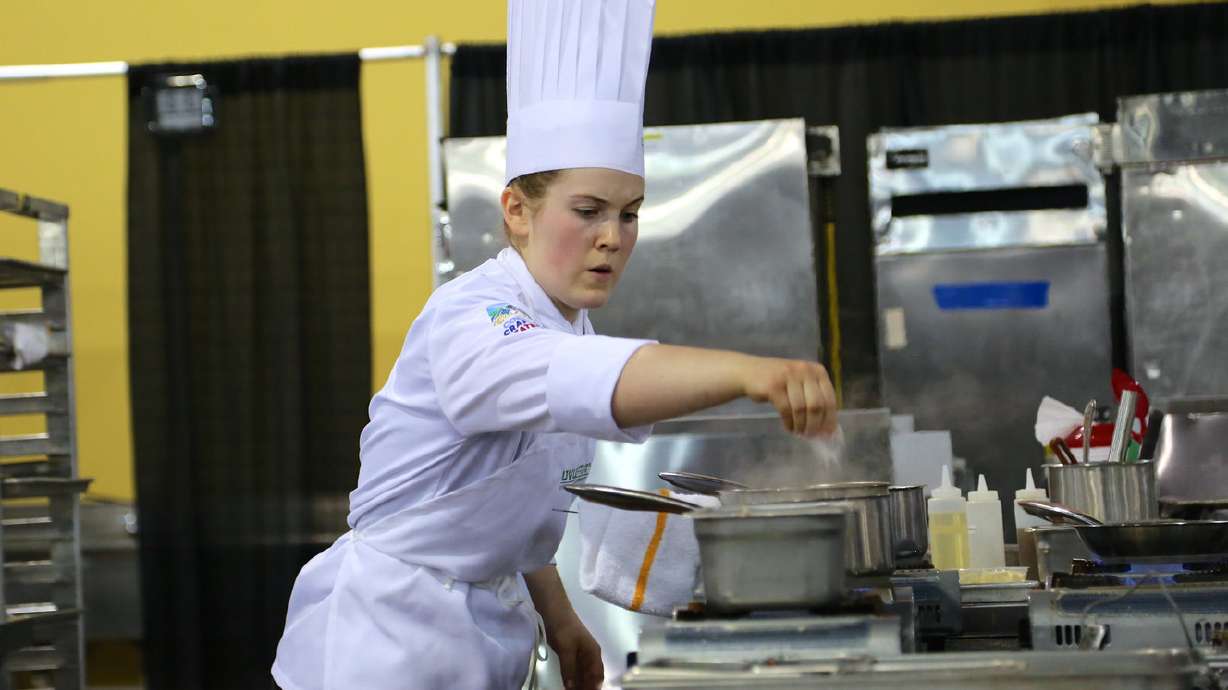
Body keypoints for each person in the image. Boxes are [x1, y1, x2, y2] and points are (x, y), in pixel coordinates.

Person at [271, 1, 837, 688]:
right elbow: (583, 378)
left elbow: (512, 506)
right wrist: (750, 373)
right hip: (384, 644)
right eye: (588, 211)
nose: (612, 238)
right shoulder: (471, 319)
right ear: (517, 211)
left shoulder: (567, 327)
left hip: (484, 635)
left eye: (629, 214)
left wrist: (561, 618)